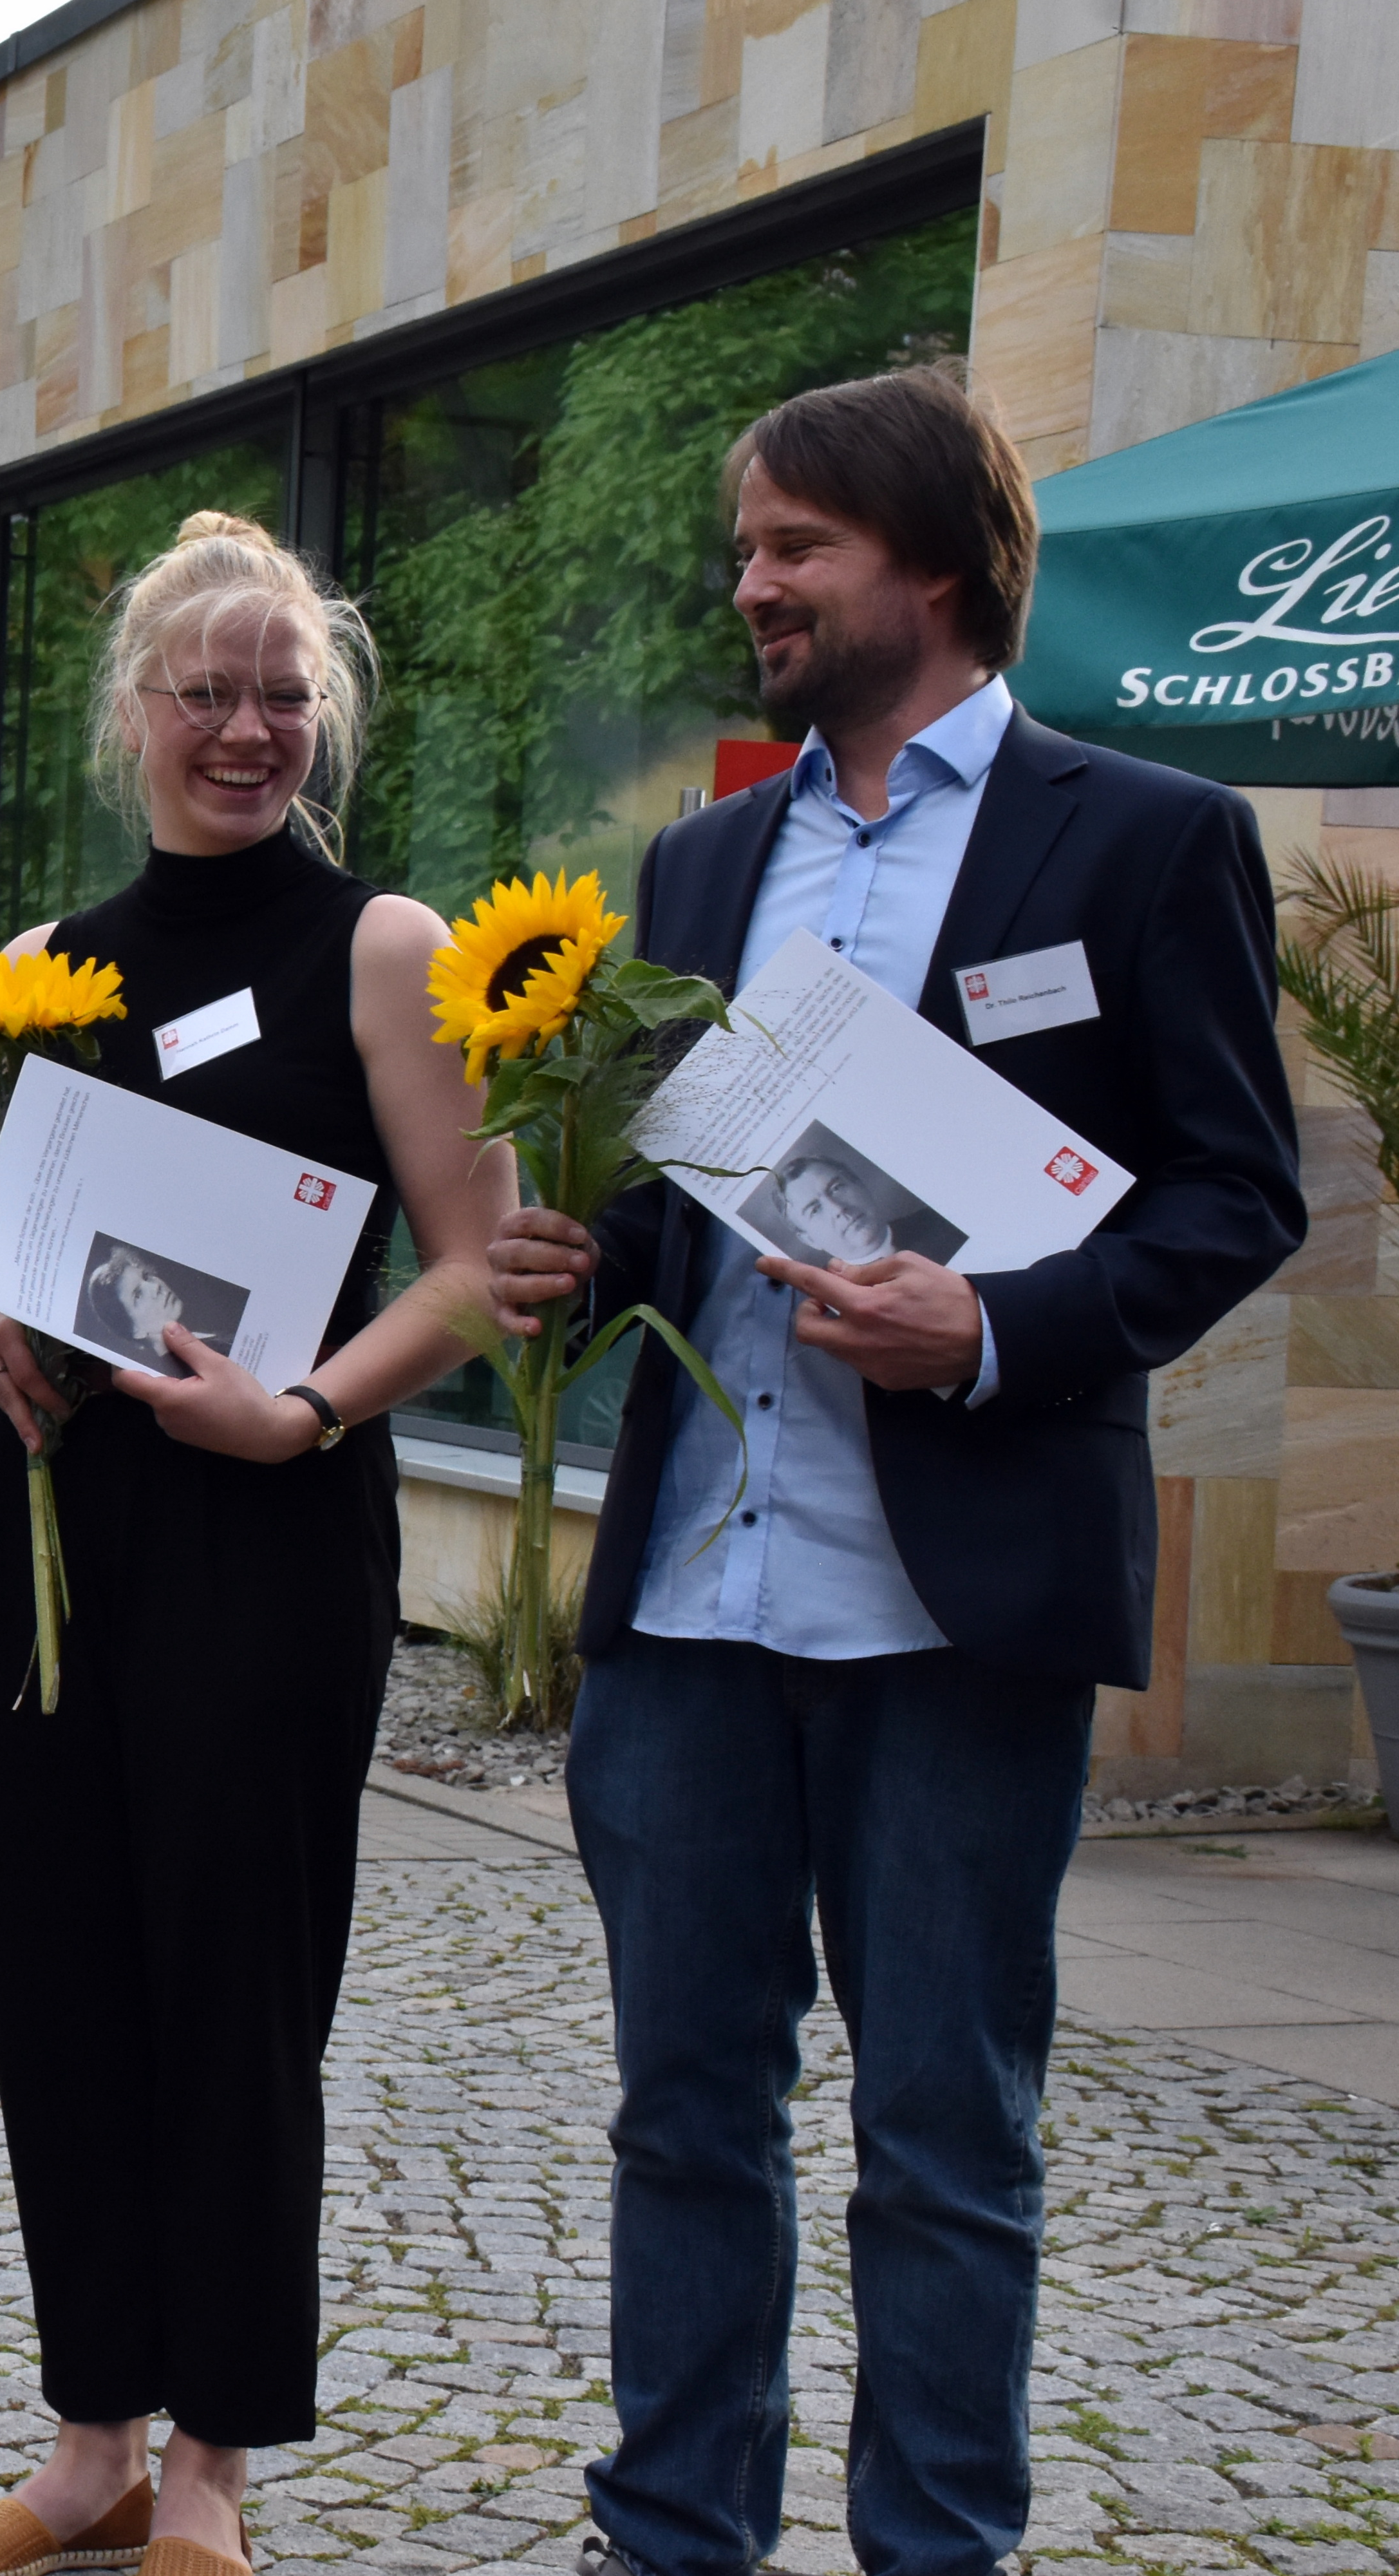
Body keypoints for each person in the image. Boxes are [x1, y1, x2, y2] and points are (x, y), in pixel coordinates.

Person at [483, 367, 1306, 2576]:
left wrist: (1003, 1329)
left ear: (928, 565)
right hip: (694, 1601)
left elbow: (1235, 1197)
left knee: (947, 2130)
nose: (751, 583)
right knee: (685, 2115)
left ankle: (940, 2551)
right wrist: (570, 1248)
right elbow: (679, 1205)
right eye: (750, 547)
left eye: (793, 548)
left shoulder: (1138, 836)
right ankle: (673, 2536)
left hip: (957, 1605)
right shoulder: (705, 854)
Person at [0, 512, 518, 2576]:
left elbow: (483, 1264)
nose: (244, 729)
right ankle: (88, 2442)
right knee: (59, 1973)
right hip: (57, 1529)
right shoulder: (52, 966)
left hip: (267, 1527)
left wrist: (315, 1404)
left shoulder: (383, 950)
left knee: (236, 1992)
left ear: (322, 720)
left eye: (283, 696)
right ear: (136, 717)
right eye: (208, 691)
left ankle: (213, 2471)